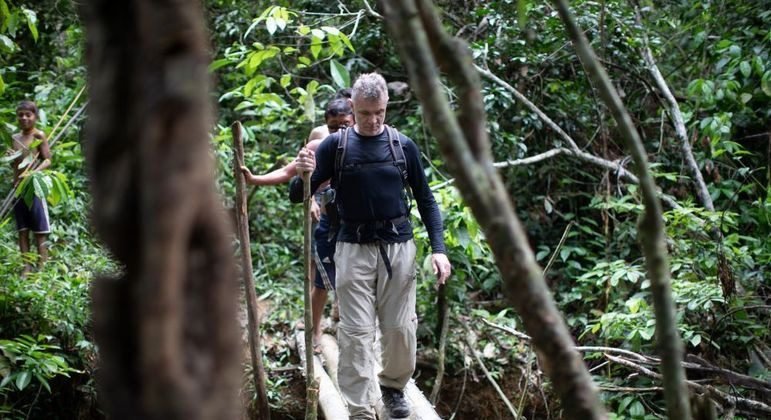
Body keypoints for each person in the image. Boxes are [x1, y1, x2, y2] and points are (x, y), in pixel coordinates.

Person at [291, 73, 451, 419]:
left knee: (400, 328)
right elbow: (297, 194)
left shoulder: (402, 145)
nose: (372, 119)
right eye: (365, 113)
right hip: (351, 247)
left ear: (386, 106)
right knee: (356, 331)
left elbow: (425, 199)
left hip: (399, 247)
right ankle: (360, 408)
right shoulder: (336, 146)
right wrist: (302, 173)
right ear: (353, 107)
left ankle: (392, 388)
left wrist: (438, 249)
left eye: (378, 112)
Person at [241, 96, 354, 351]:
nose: (340, 131)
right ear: (326, 125)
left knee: (354, 281)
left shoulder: (365, 144)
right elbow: (288, 173)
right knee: (322, 282)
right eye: (334, 126)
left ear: (354, 120)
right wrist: (254, 179)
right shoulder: (317, 146)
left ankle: (350, 333)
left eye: (345, 124)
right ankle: (314, 333)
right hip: (329, 222)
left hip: (357, 228)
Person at [8, 100, 52, 275]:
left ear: (35, 116)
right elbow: (16, 165)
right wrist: (12, 158)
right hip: (19, 188)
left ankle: (42, 267)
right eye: (21, 115)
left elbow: (48, 159)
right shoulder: (15, 138)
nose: (24, 118)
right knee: (22, 229)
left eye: (28, 114)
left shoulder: (39, 135)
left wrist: (34, 172)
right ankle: (26, 267)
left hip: (34, 187)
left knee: (40, 230)